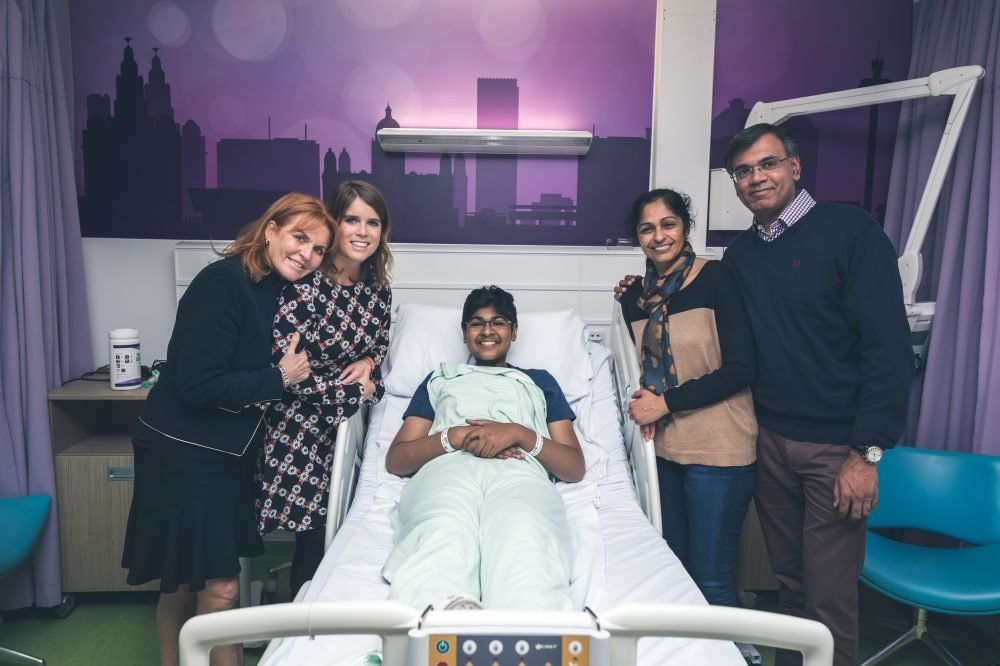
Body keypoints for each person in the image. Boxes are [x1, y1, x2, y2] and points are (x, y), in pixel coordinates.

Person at [721, 123, 912, 666]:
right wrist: (639, 293)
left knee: (828, 602)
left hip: (836, 449)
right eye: (744, 171)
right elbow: (711, 319)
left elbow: (888, 348)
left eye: (768, 164)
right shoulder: (741, 257)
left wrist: (865, 454)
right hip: (770, 442)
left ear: (795, 166)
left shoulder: (850, 231)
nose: (757, 178)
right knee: (790, 589)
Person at [122, 193, 335, 666]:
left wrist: (366, 363)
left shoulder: (279, 289)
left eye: (319, 249)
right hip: (182, 451)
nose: (307, 254)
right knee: (218, 587)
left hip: (224, 453)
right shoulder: (222, 283)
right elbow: (197, 385)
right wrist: (279, 378)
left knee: (183, 581)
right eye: (300, 238)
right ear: (271, 229)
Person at [382, 286, 585, 611]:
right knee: (445, 526)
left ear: (514, 331)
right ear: (465, 333)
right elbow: (397, 459)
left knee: (521, 530)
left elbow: (573, 467)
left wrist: (517, 433)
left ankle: (529, 622)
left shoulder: (540, 382)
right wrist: (456, 437)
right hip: (447, 470)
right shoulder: (441, 378)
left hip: (518, 470)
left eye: (498, 322)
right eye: (477, 323)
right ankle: (437, 619)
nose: (487, 331)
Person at [616, 188, 757, 610]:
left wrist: (664, 404)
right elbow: (643, 371)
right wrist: (644, 400)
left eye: (668, 224)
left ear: (685, 226)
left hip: (719, 448)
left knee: (711, 579)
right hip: (664, 449)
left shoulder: (716, 279)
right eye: (647, 229)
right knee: (675, 573)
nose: (658, 236)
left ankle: (733, 645)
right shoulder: (633, 299)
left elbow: (741, 368)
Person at [257, 180, 393, 598]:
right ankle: (302, 619)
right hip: (297, 426)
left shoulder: (378, 291)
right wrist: (359, 391)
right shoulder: (305, 285)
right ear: (334, 224)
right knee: (316, 537)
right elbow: (289, 372)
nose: (363, 232)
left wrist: (370, 364)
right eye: (352, 219)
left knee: (349, 531)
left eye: (373, 222)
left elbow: (379, 347)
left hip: (346, 428)